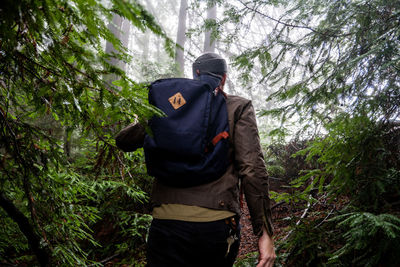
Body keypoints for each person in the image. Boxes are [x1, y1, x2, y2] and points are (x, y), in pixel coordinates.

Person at [115, 53, 275, 267]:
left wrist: (146, 118)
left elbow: (123, 141)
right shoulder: (238, 107)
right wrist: (264, 232)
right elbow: (252, 169)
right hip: (217, 223)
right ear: (224, 78)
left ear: (194, 75)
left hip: (166, 221)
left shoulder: (170, 108)